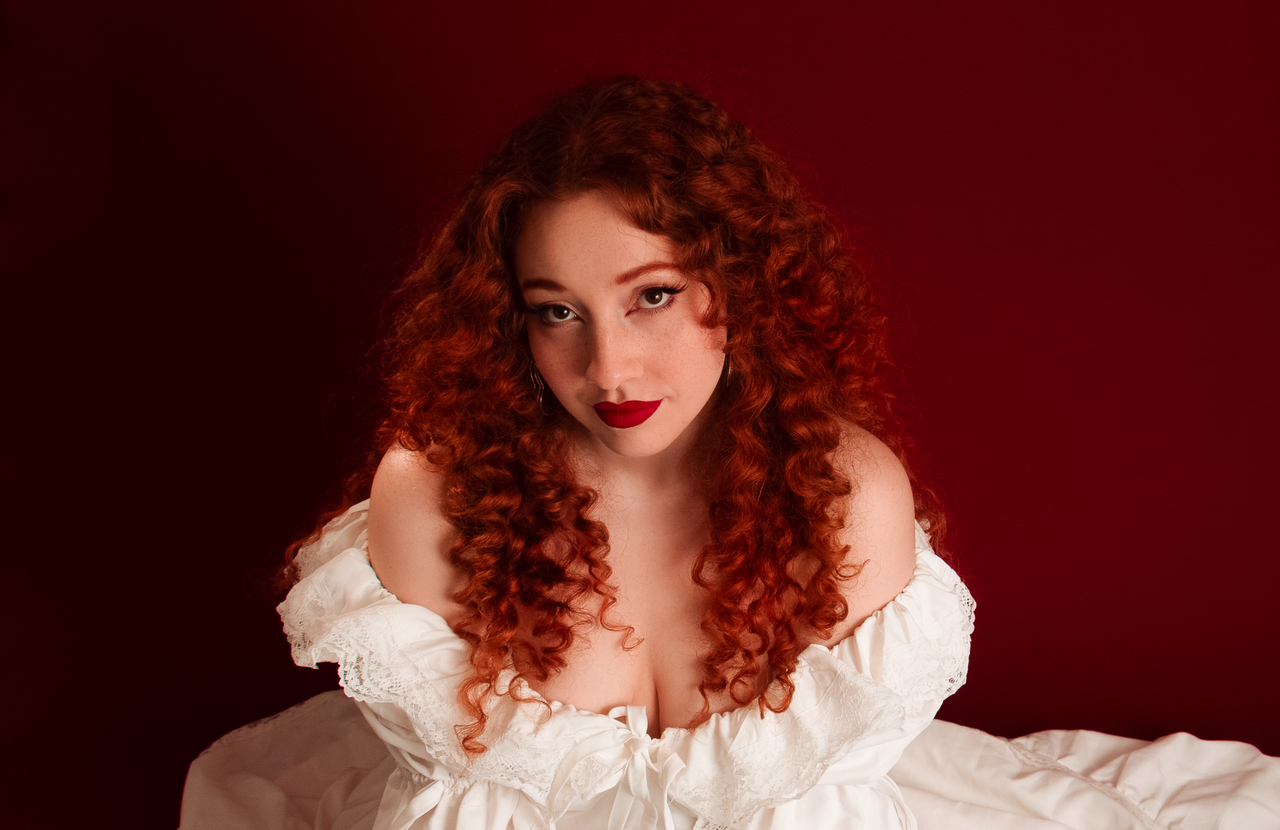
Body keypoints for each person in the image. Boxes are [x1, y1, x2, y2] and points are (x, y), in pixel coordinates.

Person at [180, 77, 1280, 830]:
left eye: (651, 296)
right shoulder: (436, 496)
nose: (608, 365)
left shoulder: (840, 498)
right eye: (556, 311)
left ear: (737, 282)